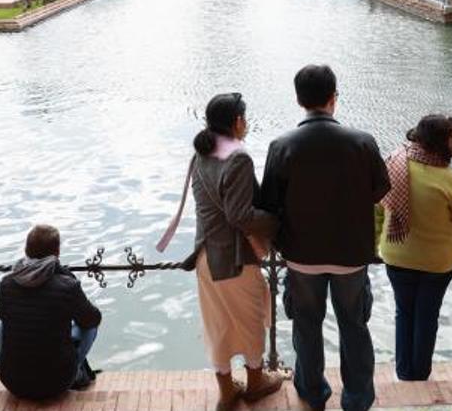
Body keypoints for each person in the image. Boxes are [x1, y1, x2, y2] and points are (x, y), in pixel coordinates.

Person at [258, 65, 390, 411]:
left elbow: (268, 204)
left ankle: (311, 390)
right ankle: (358, 398)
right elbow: (379, 190)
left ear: (299, 100)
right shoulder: (363, 142)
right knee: (353, 326)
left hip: (302, 254)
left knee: (306, 325)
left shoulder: (281, 145)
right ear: (334, 98)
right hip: (351, 254)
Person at [157, 93, 283, 410]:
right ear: (237, 122)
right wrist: (275, 221)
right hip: (234, 259)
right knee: (251, 320)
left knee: (218, 326)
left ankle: (227, 392)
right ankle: (256, 383)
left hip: (205, 256)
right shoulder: (238, 159)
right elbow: (240, 216)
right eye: (246, 117)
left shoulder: (201, 153)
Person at [376, 115, 452, 381]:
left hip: (397, 255)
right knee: (427, 316)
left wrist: (377, 242)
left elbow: (378, 208)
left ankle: (404, 373)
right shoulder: (451, 179)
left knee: (404, 313)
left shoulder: (394, 164)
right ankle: (420, 375)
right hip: (437, 263)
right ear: (442, 142)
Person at [0, 224, 102, 401]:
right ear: (57, 252)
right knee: (88, 325)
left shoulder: (7, 283)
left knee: (3, 325)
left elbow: (2, 314)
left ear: (26, 250)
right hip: (57, 383)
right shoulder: (67, 285)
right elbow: (93, 319)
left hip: (13, 382)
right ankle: (75, 373)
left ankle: (18, 367)